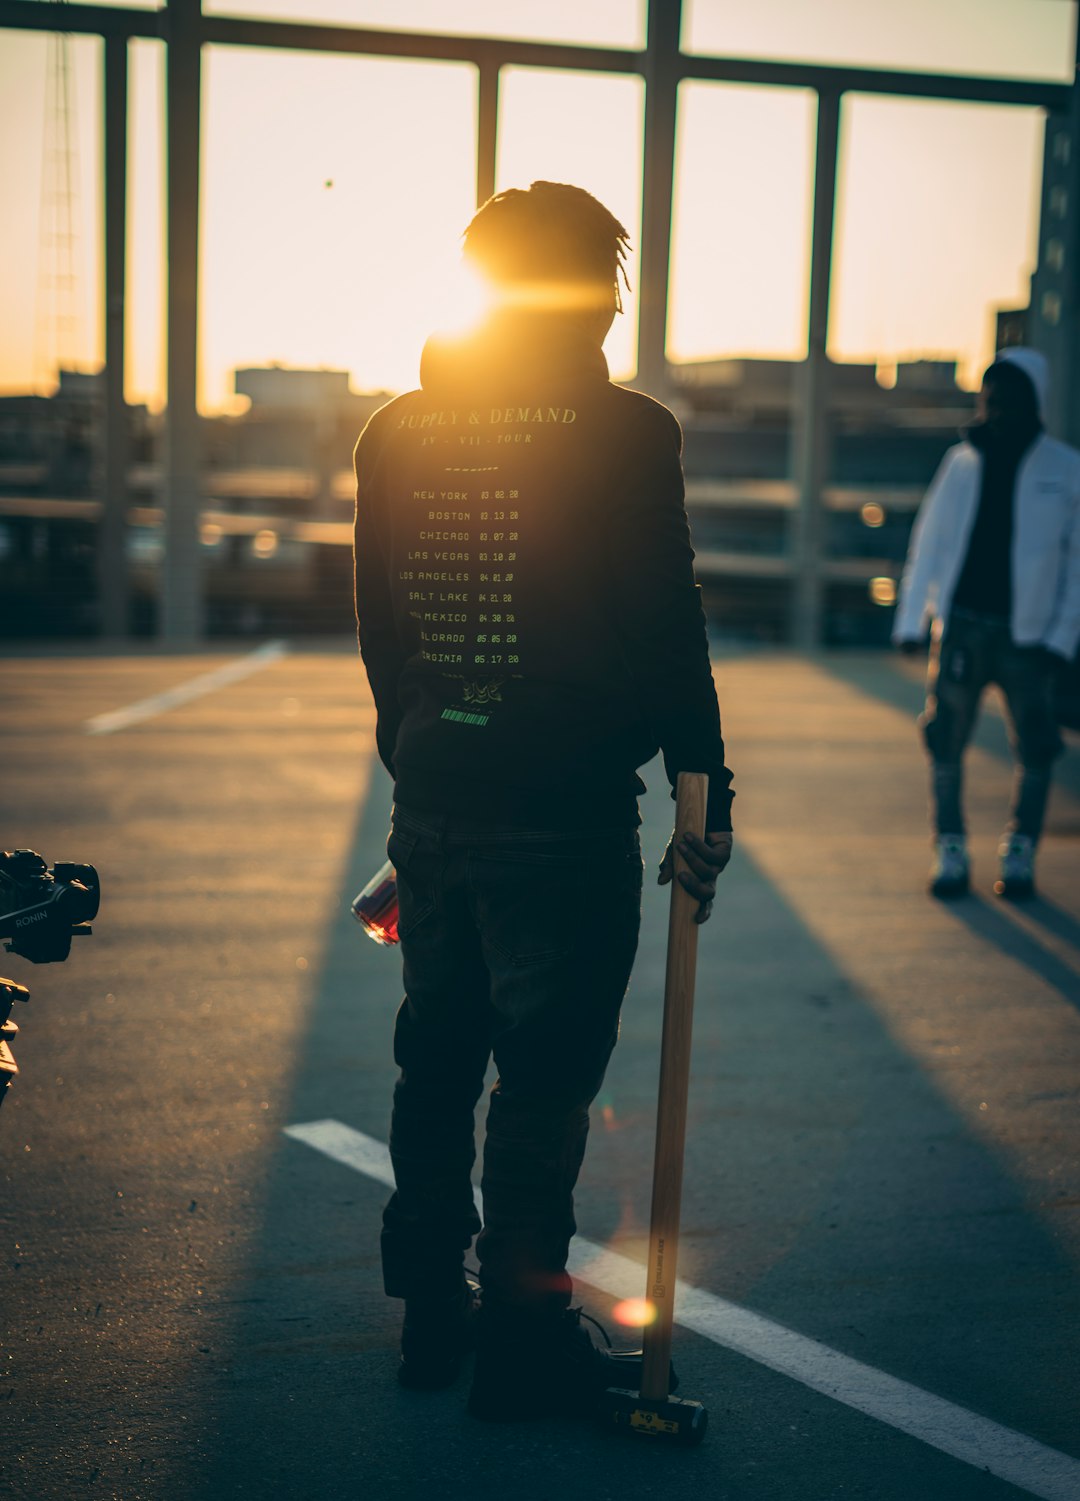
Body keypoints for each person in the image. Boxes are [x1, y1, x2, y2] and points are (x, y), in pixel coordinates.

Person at [352, 181, 735, 1421]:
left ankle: (431, 1316)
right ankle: (522, 1340)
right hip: (563, 810)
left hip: (441, 797)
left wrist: (421, 776)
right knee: (547, 1082)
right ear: (584, 290)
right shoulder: (624, 432)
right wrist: (704, 786)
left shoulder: (397, 431)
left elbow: (382, 636)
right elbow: (665, 619)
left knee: (436, 1063)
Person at [893, 347, 1080, 899]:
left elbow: (1076, 565)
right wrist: (912, 619)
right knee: (944, 739)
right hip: (962, 628)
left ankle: (1019, 854)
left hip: (1030, 637)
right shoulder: (961, 462)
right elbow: (928, 542)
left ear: (1032, 402)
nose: (995, 408)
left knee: (1038, 746)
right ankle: (949, 851)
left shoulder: (1065, 469)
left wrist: (1061, 638)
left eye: (1008, 398)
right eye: (989, 397)